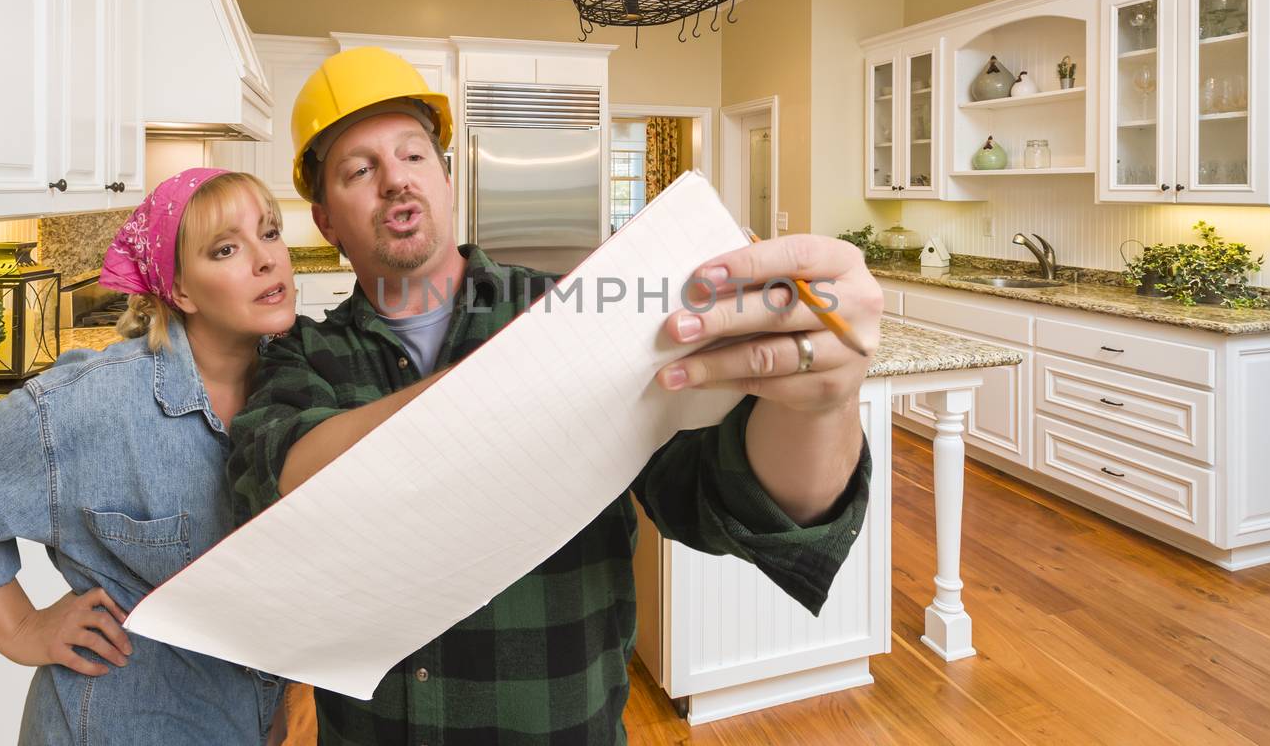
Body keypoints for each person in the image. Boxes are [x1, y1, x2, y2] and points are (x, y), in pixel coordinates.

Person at [228, 47, 883, 744]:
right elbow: (276, 489)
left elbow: (725, 497)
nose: (396, 181)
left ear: (446, 178)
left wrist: (822, 402)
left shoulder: (572, 314)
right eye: (361, 170)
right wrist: (524, 377)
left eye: (414, 156)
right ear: (326, 219)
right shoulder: (300, 352)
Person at [0, 169, 298, 744]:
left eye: (271, 233)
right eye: (227, 248)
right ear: (179, 290)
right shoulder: (98, 401)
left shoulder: (300, 384)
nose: (266, 260)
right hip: (118, 724)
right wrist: (22, 627)